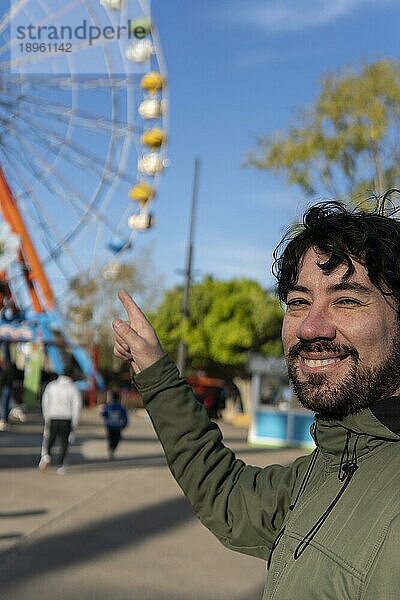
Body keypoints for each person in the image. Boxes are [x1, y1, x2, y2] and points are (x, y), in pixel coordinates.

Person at [112, 198, 400, 599]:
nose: (311, 327)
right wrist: (154, 371)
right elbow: (228, 496)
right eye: (299, 302)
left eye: (347, 299)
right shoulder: (329, 466)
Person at [38, 366, 82, 474]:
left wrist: (46, 416)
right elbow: (76, 407)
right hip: (66, 418)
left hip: (52, 416)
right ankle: (61, 466)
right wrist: (75, 422)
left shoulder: (51, 386)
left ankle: (46, 455)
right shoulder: (73, 388)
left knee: (49, 438)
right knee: (64, 443)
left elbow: (45, 402)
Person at [101, 388, 128, 459]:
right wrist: (125, 424)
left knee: (111, 438)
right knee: (117, 439)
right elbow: (124, 416)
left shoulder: (108, 406)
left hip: (109, 426)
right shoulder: (120, 407)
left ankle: (111, 448)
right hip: (117, 426)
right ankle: (113, 449)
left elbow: (103, 414)